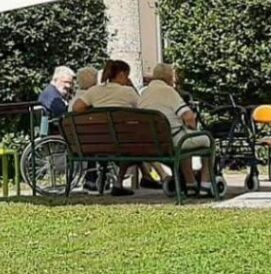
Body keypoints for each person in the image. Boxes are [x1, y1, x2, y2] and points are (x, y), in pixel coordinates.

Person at [139, 62, 214, 194]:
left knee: (183, 140)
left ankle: (191, 183)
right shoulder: (169, 91)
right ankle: (205, 183)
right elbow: (188, 117)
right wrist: (192, 126)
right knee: (208, 141)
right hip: (172, 141)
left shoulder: (143, 94)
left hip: (152, 143)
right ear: (169, 77)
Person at [72, 59, 140, 195]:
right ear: (122, 75)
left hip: (98, 144)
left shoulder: (94, 91)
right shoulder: (128, 92)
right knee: (135, 144)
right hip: (122, 144)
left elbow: (76, 107)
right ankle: (121, 182)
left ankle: (122, 183)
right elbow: (143, 107)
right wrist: (132, 87)